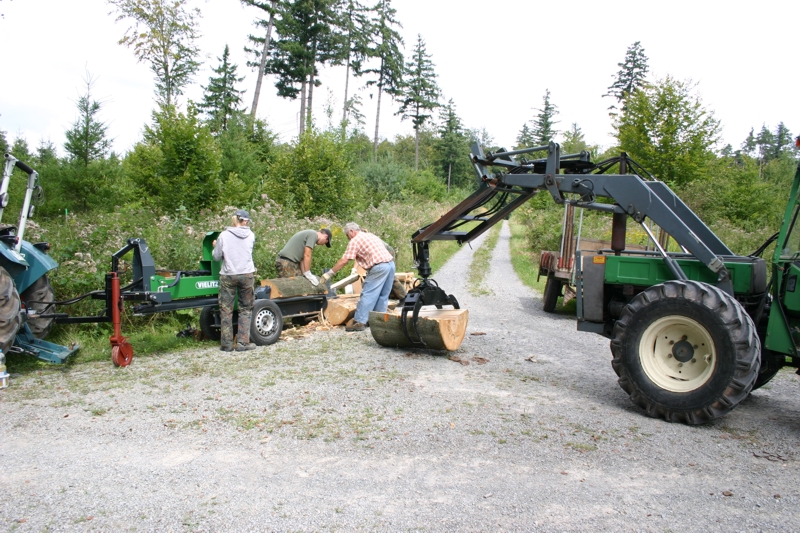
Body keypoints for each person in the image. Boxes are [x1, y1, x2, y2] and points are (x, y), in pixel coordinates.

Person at [321, 222, 395, 332]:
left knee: (368, 294)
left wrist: (330, 273)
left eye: (347, 235)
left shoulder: (355, 241)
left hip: (379, 266)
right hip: (390, 264)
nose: (347, 238)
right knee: (383, 294)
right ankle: (379, 320)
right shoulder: (370, 235)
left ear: (351, 231)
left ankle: (359, 322)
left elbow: (344, 260)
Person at [212, 209, 257, 352]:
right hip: (246, 274)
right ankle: (243, 343)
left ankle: (227, 344)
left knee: (226, 309)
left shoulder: (224, 235)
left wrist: (215, 246)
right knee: (245, 309)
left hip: (229, 275)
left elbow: (217, 257)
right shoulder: (251, 235)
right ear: (246, 221)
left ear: (235, 220)